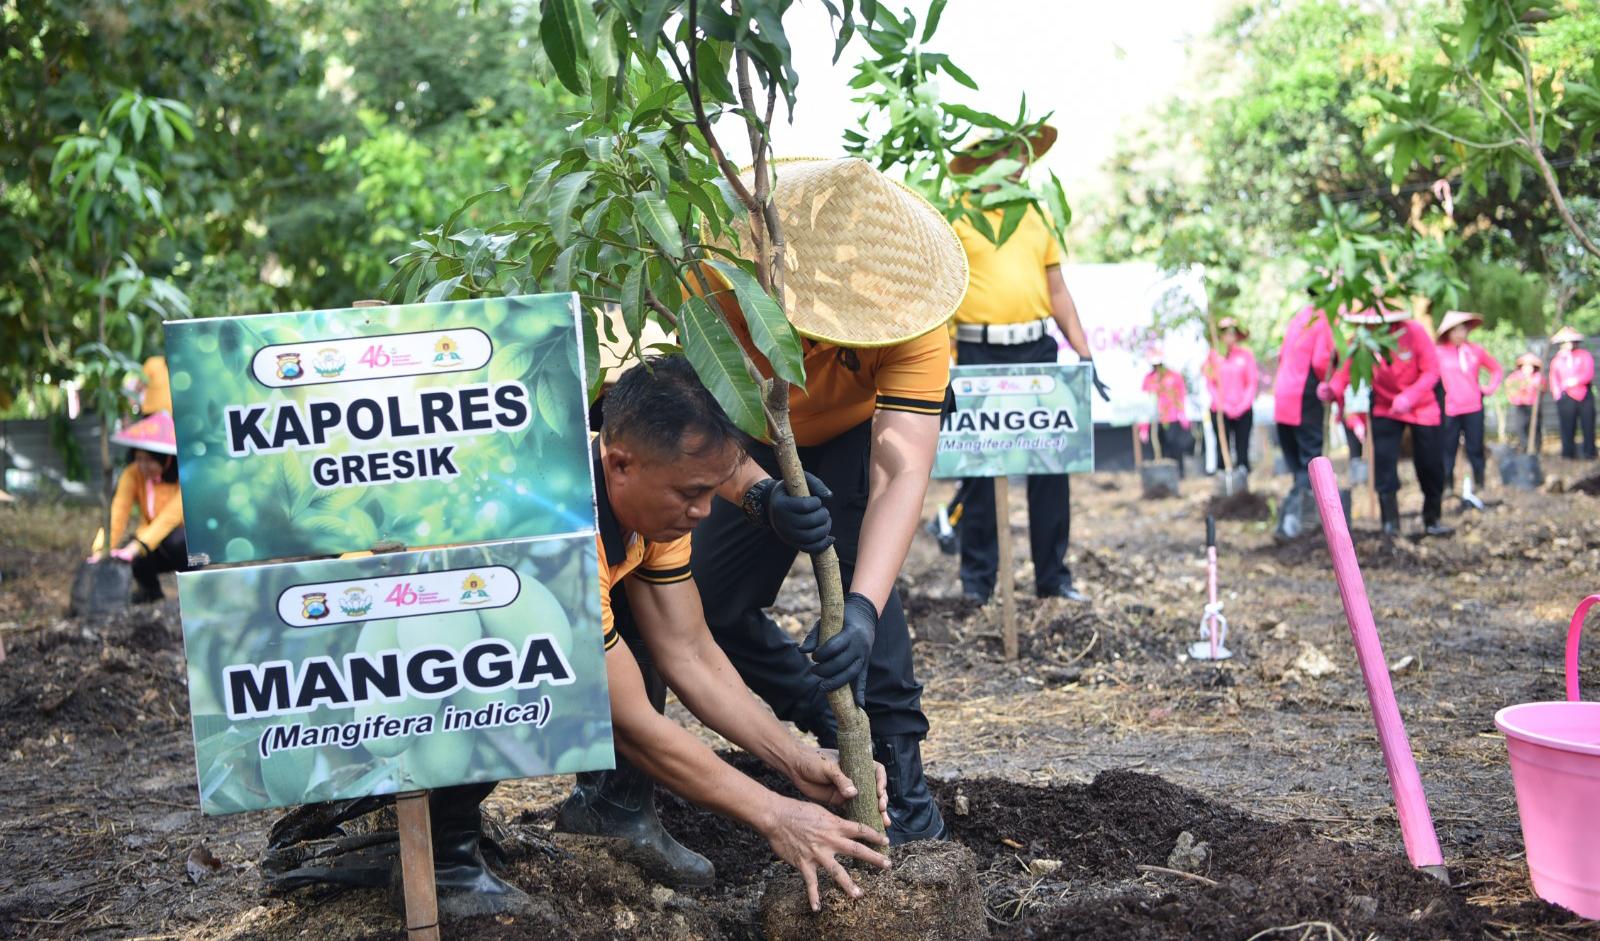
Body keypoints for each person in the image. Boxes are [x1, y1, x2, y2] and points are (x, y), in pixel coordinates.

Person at [569, 158, 964, 862]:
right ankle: (819, 717)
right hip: (734, 431)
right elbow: (675, 416)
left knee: (867, 603)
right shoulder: (713, 283)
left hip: (852, 437)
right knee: (711, 601)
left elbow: (901, 469)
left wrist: (867, 608)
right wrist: (756, 491)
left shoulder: (915, 322)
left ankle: (896, 779)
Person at [433, 357, 890, 916]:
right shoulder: (557, 533)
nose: (703, 511)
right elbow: (629, 724)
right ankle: (440, 860)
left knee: (635, 633)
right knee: (503, 656)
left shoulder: (655, 513)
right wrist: (777, 816)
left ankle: (612, 816)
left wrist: (796, 762)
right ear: (620, 463)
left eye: (713, 490)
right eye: (691, 493)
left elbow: (689, 652)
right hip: (378, 670)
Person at [945, 123, 1108, 606]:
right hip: (975, 353)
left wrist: (1085, 353)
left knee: (1051, 463)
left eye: (1019, 156)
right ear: (981, 164)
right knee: (977, 470)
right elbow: (944, 295)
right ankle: (977, 582)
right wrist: (944, 363)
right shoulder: (958, 216)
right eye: (1003, 155)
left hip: (1038, 350)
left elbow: (1058, 290)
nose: (1016, 164)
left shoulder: (1038, 214)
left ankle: (1052, 578)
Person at [1320, 305, 1450, 537]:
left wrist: (1410, 396)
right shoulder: (1359, 342)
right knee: (1383, 463)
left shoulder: (1414, 332)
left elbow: (1431, 371)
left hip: (1422, 406)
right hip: (1384, 407)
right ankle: (1390, 525)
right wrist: (1330, 390)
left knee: (1430, 463)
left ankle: (1432, 518)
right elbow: (1345, 375)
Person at [85, 411, 187, 602]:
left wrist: (138, 545)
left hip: (183, 545)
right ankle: (151, 593)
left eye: (149, 460)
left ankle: (192, 592)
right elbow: (118, 512)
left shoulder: (185, 474)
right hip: (153, 543)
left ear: (166, 458)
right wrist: (101, 549)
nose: (143, 466)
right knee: (129, 555)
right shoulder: (132, 474)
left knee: (177, 540)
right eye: (139, 459)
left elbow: (169, 518)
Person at [1272, 302, 1334, 541]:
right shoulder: (1324, 320)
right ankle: (1295, 525)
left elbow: (1281, 356)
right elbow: (1321, 361)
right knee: (1310, 464)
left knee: (1298, 465)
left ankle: (1288, 523)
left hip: (1283, 395)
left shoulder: (1298, 319)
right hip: (1303, 396)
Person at [1433, 310, 1502, 509]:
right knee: (1448, 450)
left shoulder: (1475, 351)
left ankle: (1480, 483)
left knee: (1475, 447)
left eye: (1463, 329)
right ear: (1448, 333)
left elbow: (1496, 369)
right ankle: (1447, 486)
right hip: (1450, 409)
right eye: (1456, 330)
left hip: (1474, 407)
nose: (1460, 334)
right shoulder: (1439, 353)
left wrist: (1488, 389)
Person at [1204, 317, 1259, 473]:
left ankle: (1243, 481)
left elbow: (1251, 383)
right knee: (1223, 448)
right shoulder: (1213, 357)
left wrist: (1242, 406)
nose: (1228, 337)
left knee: (1243, 448)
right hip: (1220, 411)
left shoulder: (1245, 356)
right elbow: (1210, 384)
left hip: (1243, 409)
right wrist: (1223, 406)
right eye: (1225, 333)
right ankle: (1224, 482)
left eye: (1231, 333)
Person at [1141, 351, 1194, 477]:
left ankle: (1179, 473)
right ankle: (1165, 475)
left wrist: (1182, 415)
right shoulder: (1148, 379)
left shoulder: (1174, 376)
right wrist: (1144, 427)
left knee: (1175, 447)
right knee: (1161, 447)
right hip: (1156, 420)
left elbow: (1181, 396)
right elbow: (1145, 403)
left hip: (1172, 418)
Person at [1548, 326, 1596, 460]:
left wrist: (1574, 381)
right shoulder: (1557, 360)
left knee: (1588, 425)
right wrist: (1558, 396)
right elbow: (1554, 379)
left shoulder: (1584, 355)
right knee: (1567, 426)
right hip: (1566, 398)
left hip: (1584, 394)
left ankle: (1589, 453)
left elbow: (1588, 373)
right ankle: (1568, 454)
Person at [1505, 353, 1544, 453]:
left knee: (1536, 427)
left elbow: (1543, 388)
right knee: (1521, 427)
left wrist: (1533, 385)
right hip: (1521, 406)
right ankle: (1524, 446)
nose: (1528, 368)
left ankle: (1537, 448)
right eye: (1526, 366)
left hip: (1534, 406)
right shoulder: (1515, 377)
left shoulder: (1537, 377)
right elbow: (1510, 389)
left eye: (1530, 366)